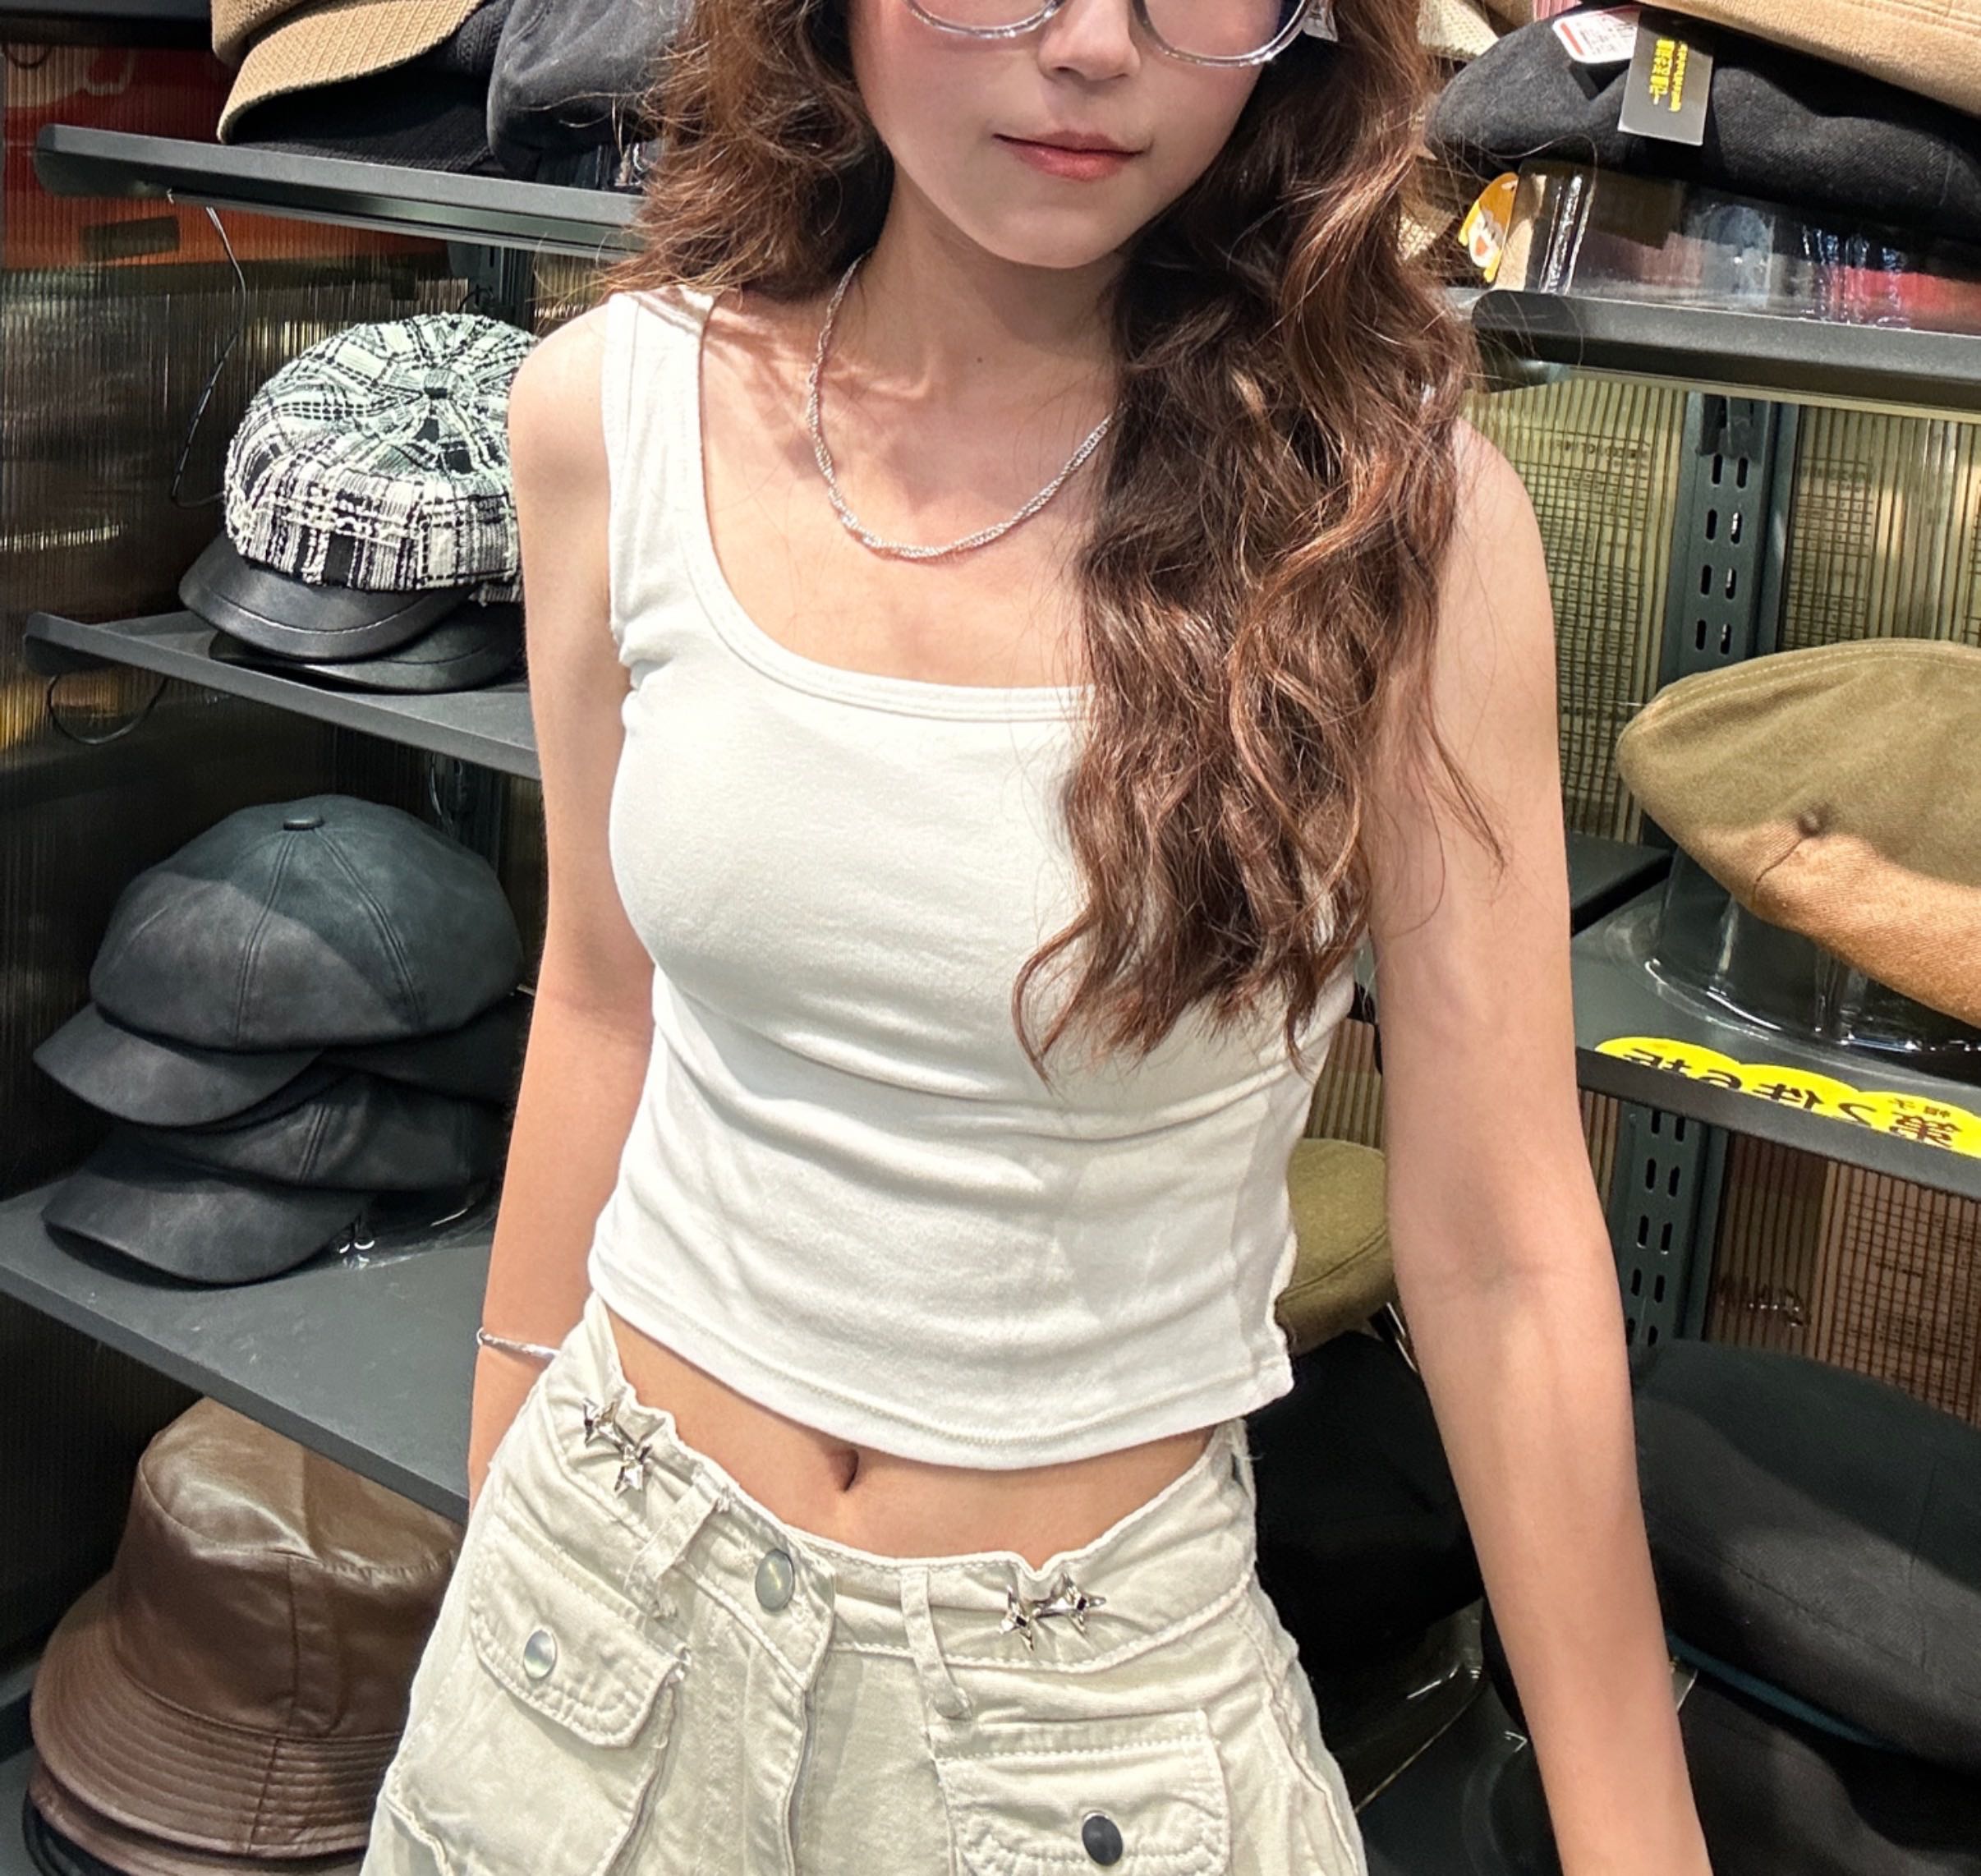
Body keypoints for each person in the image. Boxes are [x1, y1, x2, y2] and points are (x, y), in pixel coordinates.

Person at [365, 0, 1712, 1871]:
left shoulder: (1389, 520)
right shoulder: (614, 409)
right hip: (591, 1611)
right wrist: (498, 1491)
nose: (1088, 45)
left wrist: (1634, 1828)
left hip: (1085, 1716)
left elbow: (1498, 1243)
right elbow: (604, 997)